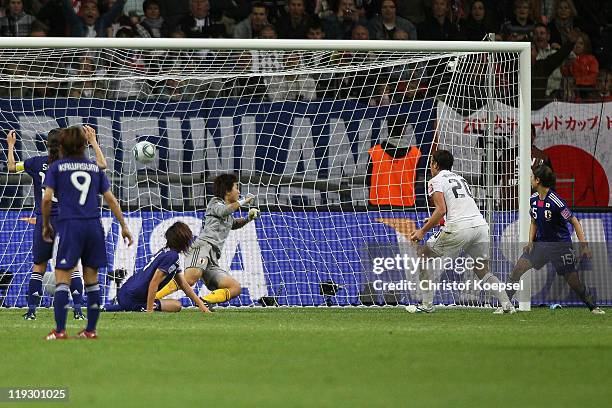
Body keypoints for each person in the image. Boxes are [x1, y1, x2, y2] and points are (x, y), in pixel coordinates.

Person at [6, 126, 107, 321]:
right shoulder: (74, 164)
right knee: (73, 266)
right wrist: (92, 141)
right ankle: (78, 311)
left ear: (46, 144)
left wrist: (11, 146)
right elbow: (102, 164)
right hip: (67, 221)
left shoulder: (35, 163)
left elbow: (11, 167)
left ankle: (32, 311)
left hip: (44, 220)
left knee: (39, 266)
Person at [42, 126, 133, 339]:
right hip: (94, 227)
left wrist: (46, 224)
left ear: (62, 146)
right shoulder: (94, 168)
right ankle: (91, 330)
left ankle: (60, 330)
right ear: (84, 146)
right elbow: (110, 199)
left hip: (70, 226)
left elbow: (47, 199)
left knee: (63, 278)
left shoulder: (57, 168)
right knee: (92, 280)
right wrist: (124, 225)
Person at [406, 150, 515, 314]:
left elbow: (441, 209)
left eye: (431, 162)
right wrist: (437, 222)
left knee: (423, 255)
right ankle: (507, 305)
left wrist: (422, 231)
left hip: (459, 228)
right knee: (482, 270)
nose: (430, 166)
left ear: (435, 164)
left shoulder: (435, 181)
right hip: (480, 226)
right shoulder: (460, 178)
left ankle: (427, 304)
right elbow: (459, 208)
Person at [504, 165, 605, 315]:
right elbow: (534, 220)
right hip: (540, 245)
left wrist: (584, 246)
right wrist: (530, 241)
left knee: (573, 281)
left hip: (560, 246)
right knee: (517, 270)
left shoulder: (556, 202)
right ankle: (505, 305)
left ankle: (593, 307)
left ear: (538, 181)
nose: (530, 179)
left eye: (532, 177)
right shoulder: (533, 199)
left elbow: (574, 221)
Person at [155, 174, 260, 308]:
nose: (239, 191)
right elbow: (224, 211)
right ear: (227, 191)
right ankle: (153, 297)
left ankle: (204, 301)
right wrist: (244, 201)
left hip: (213, 258)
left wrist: (248, 218)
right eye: (236, 188)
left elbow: (233, 224)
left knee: (234, 287)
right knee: (190, 279)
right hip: (202, 248)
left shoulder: (227, 214)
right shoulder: (215, 203)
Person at [107, 222, 210, 313]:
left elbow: (183, 284)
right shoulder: (172, 256)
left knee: (176, 305)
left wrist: (201, 305)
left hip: (127, 291)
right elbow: (154, 283)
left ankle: (122, 305)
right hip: (132, 297)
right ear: (183, 241)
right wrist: (150, 310)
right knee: (176, 305)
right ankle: (130, 307)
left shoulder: (168, 252)